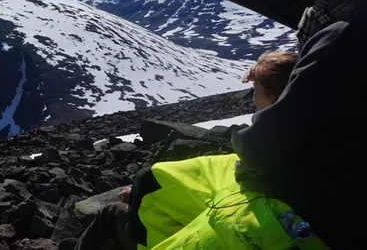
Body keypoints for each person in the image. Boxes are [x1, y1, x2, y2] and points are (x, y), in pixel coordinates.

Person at [114, 0, 367, 249]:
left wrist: (245, 144)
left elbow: (268, 147)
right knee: (156, 181)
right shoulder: (351, 2)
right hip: (341, 182)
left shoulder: (349, 33)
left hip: (330, 214)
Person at [75, 52, 301, 250]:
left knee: (110, 216)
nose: (252, 97)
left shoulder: (264, 164)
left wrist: (141, 196)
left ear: (274, 99)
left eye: (256, 89)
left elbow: (177, 184)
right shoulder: (302, 153)